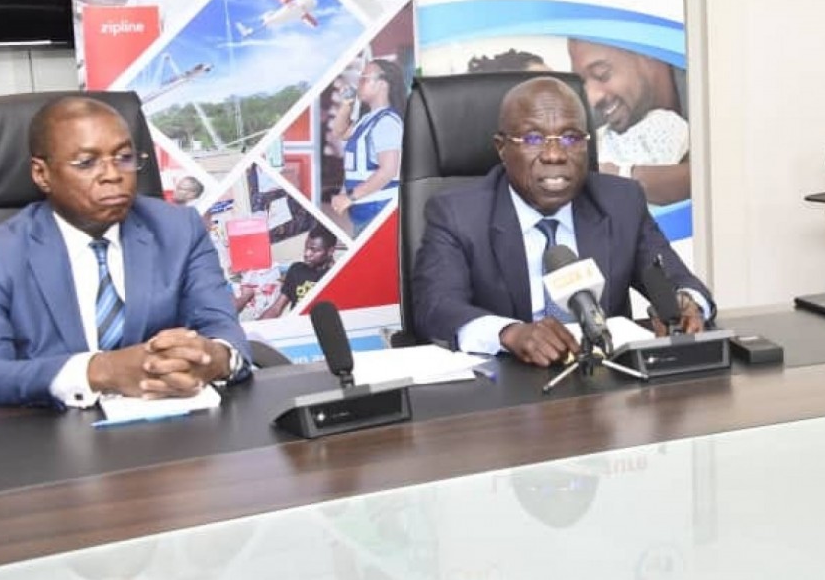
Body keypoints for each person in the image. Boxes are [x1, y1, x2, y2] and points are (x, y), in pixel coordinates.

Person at [0, 97, 250, 411]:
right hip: (55, 433)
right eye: (86, 162)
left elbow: (222, 327)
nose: (113, 174)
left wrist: (213, 358)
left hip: (175, 427)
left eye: (124, 158)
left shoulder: (179, 229)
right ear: (41, 174)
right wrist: (101, 371)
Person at [411, 76, 714, 365]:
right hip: (508, 385)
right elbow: (436, 307)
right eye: (533, 138)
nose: (554, 155)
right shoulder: (458, 214)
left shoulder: (621, 202)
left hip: (606, 379)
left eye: (570, 138)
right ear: (502, 148)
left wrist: (686, 304)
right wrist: (509, 333)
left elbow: (677, 280)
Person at [566, 38, 690, 205]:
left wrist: (621, 177)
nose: (592, 98)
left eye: (602, 74)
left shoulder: (709, 82)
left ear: (649, 52)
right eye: (583, 83)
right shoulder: (597, 121)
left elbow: (718, 173)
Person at [330, 58, 405, 234]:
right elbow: (340, 132)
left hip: (379, 211)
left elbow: (388, 171)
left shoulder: (386, 122)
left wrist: (349, 197)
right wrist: (347, 104)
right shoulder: (367, 119)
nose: (359, 83)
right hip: (366, 211)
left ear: (383, 84)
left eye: (364, 78)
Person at [259, 225, 339, 319]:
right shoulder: (296, 269)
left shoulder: (337, 276)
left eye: (314, 250)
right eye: (306, 248)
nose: (306, 254)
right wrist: (256, 325)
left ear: (330, 251)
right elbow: (276, 308)